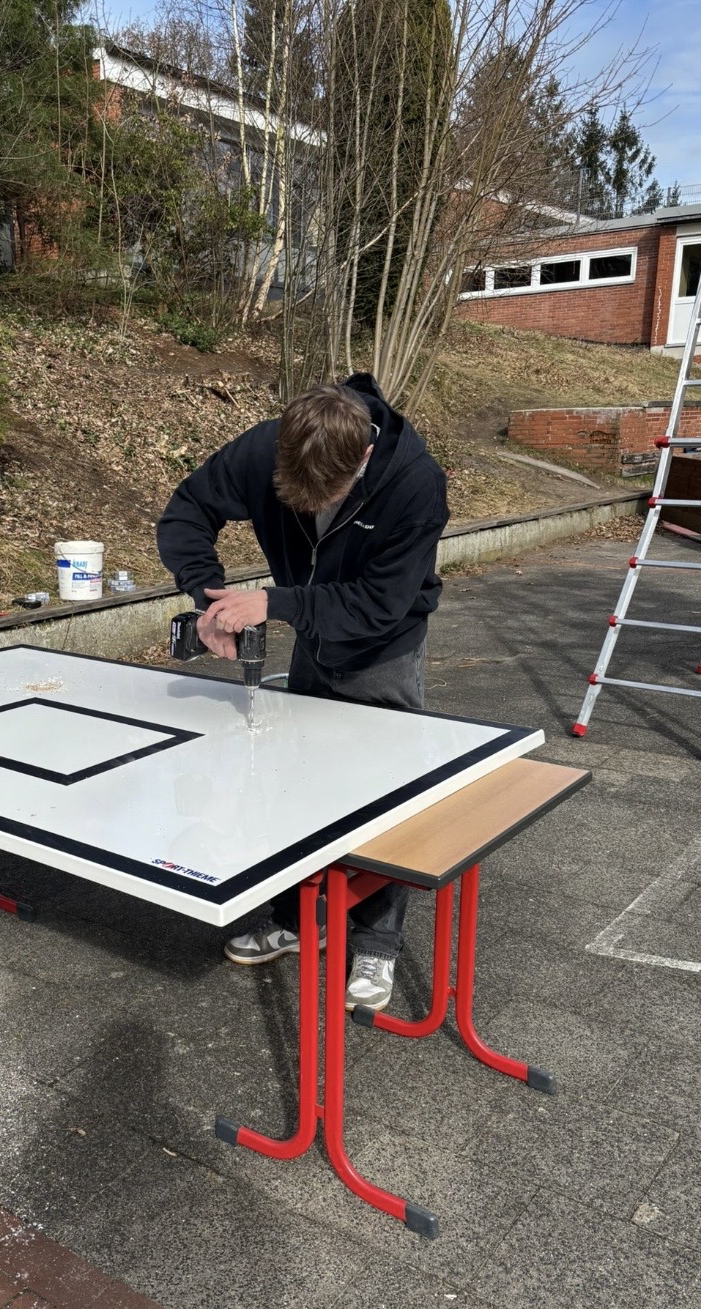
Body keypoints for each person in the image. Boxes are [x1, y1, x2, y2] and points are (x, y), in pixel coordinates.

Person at [157, 375, 449, 1011]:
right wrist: (209, 596)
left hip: (382, 648)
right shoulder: (270, 447)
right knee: (298, 783)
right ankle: (297, 919)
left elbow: (379, 604)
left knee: (381, 794)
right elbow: (187, 511)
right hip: (314, 640)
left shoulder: (415, 483)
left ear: (363, 456)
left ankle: (375, 944)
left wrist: (274, 603)